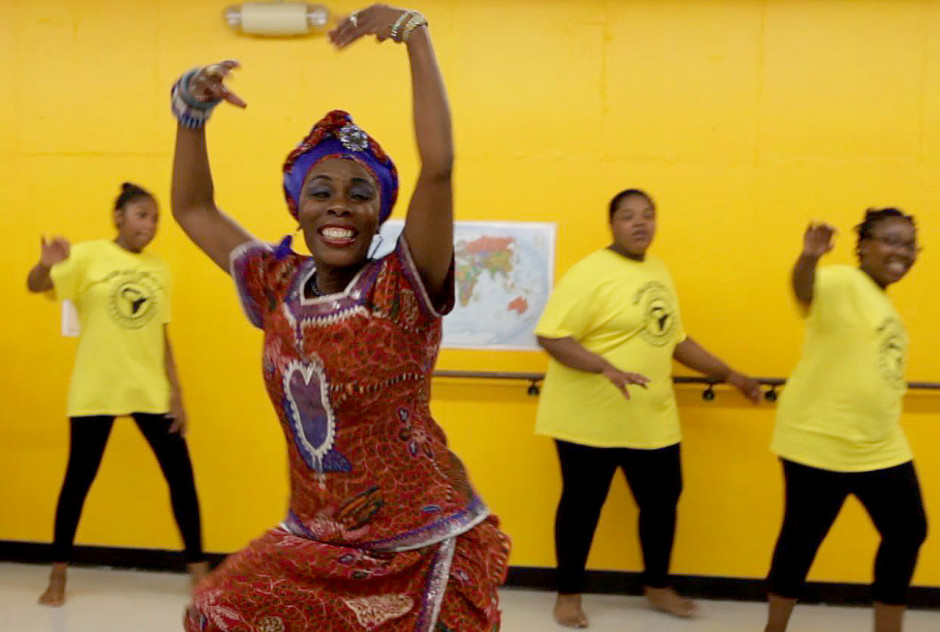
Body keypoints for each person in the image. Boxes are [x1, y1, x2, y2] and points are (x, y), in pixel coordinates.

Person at [168, 5, 509, 631]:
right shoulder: (276, 284)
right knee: (215, 608)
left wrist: (412, 31)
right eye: (321, 190)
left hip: (420, 541)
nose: (341, 206)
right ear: (297, 206)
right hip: (318, 541)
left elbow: (439, 166)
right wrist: (191, 114)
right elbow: (192, 208)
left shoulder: (404, 286)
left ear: (381, 213)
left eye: (361, 194)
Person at [534, 188, 762, 627]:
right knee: (582, 507)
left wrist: (731, 375)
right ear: (612, 225)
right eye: (627, 216)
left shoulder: (658, 270)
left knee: (661, 504)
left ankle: (657, 586)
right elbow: (552, 336)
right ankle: (568, 595)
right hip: (589, 419)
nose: (640, 223)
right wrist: (604, 367)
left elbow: (675, 339)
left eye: (647, 215)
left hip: (651, 417)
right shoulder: (591, 273)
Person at [26, 182, 207, 606]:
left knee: (181, 479)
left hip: (149, 389)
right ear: (119, 217)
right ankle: (57, 576)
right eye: (142, 214)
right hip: (97, 386)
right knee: (78, 482)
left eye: (155, 217)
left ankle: (200, 574)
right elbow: (37, 286)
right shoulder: (87, 256)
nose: (151, 224)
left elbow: (162, 334)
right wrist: (45, 264)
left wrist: (177, 395)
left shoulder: (160, 268)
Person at [764, 210, 927, 632]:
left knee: (909, 531)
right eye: (891, 241)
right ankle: (774, 628)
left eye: (910, 245)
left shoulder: (881, 299)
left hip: (879, 443)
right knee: (801, 539)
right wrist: (809, 258)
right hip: (821, 440)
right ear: (864, 245)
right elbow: (804, 290)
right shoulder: (841, 281)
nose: (902, 252)